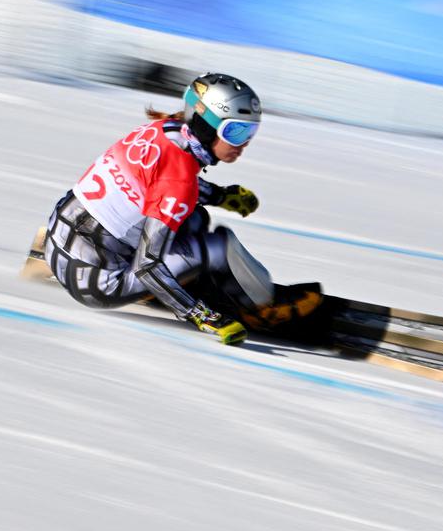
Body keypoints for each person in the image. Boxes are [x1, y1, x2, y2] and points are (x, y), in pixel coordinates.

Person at [44, 73, 272, 346]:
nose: (244, 144)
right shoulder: (180, 182)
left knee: (195, 219)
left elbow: (163, 181)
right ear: (207, 126)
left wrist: (220, 196)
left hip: (60, 234)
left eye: (251, 133)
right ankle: (268, 306)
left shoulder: (165, 129)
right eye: (235, 132)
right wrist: (202, 316)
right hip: (97, 285)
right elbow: (147, 266)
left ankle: (180, 281)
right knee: (217, 247)